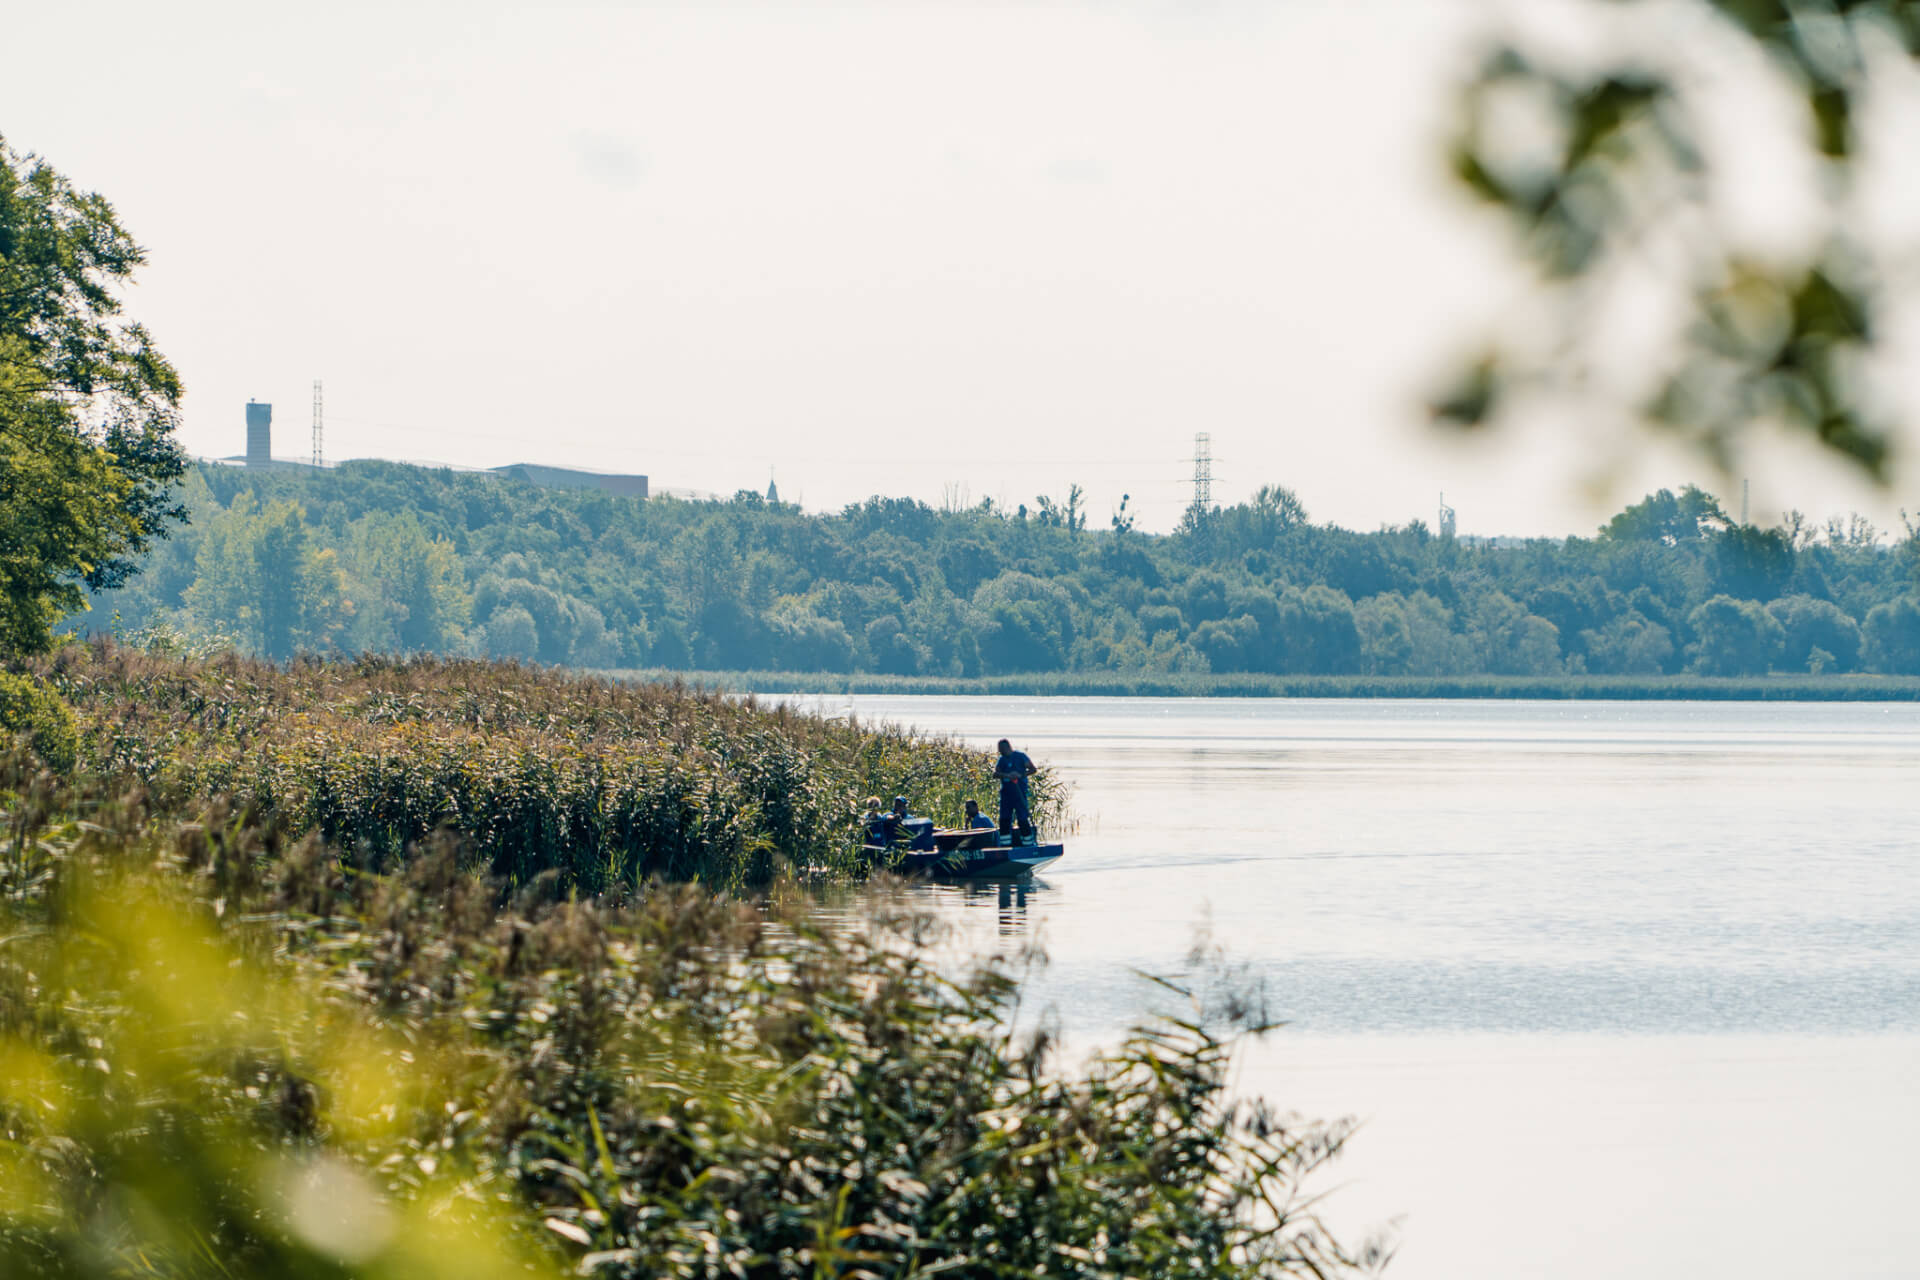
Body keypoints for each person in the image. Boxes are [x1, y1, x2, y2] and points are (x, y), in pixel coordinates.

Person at [993, 738, 1036, 844]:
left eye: (1001, 749)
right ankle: (1005, 845)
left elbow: (1033, 769)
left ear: (1007, 747)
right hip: (1006, 794)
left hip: (1019, 792)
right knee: (1005, 819)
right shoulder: (1002, 760)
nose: (1000, 751)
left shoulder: (1020, 757)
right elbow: (996, 774)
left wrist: (1020, 775)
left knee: (1022, 818)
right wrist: (1007, 775)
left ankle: (1028, 844)